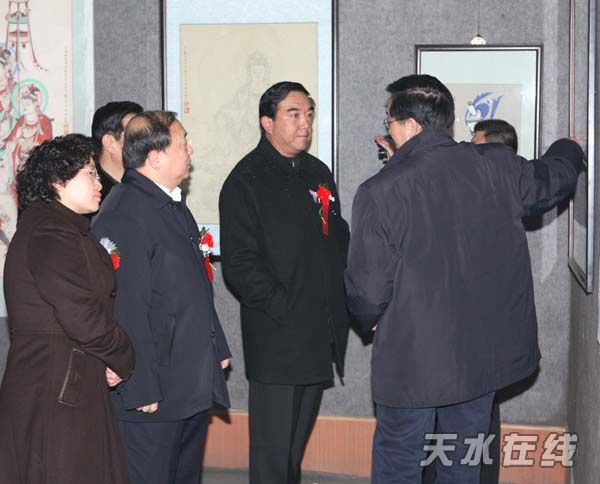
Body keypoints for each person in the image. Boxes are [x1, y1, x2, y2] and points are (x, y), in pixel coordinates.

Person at [345, 74, 584, 484]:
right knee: (463, 464)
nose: (388, 130)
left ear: (410, 126)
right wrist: (570, 147)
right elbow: (550, 180)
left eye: (390, 122)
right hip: (478, 358)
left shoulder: (379, 191)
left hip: (412, 361)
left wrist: (370, 318)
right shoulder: (497, 164)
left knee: (400, 464)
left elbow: (367, 290)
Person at [219, 81, 350, 484]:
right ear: (267, 122)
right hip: (277, 338)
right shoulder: (246, 180)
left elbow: (335, 237)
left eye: (308, 114)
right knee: (273, 455)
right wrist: (285, 306)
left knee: (293, 451)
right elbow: (240, 265)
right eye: (293, 114)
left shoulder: (316, 172)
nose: (304, 123)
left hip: (317, 333)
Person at [92, 110, 231, 484]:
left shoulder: (172, 205)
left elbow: (195, 284)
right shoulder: (124, 213)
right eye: (183, 143)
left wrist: (216, 346)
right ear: (155, 157)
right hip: (153, 391)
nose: (190, 151)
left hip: (187, 381)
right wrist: (138, 385)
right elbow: (125, 306)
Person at [0, 134, 135, 484]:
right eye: (89, 173)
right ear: (58, 181)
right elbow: (81, 314)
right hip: (54, 386)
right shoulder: (50, 233)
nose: (98, 182)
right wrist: (123, 354)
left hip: (67, 379)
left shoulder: (65, 229)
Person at [91, 100, 143, 200]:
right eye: (135, 135)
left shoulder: (147, 185)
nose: (144, 142)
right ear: (109, 142)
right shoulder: (92, 195)